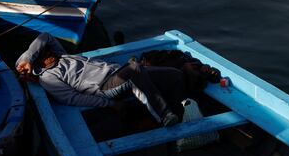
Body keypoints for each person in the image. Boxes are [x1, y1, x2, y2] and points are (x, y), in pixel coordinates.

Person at [15, 33, 185, 126]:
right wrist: (110, 104)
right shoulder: (48, 78)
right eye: (45, 55)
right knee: (135, 69)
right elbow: (74, 98)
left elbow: (45, 37)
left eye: (47, 52)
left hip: (117, 71)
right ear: (39, 65)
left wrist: (28, 58)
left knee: (174, 74)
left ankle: (177, 115)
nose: (49, 53)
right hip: (105, 86)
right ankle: (164, 116)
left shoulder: (59, 56)